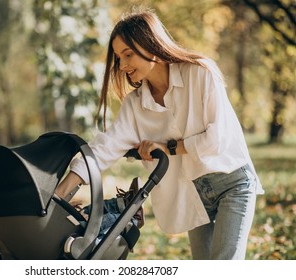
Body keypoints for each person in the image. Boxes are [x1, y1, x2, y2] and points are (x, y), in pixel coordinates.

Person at [55, 8, 264, 260]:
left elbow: (217, 138)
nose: (122, 65)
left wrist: (169, 147)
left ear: (150, 45)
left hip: (233, 184)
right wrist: (61, 191)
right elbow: (106, 146)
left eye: (128, 54)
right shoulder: (135, 105)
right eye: (119, 58)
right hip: (193, 196)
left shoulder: (200, 73)